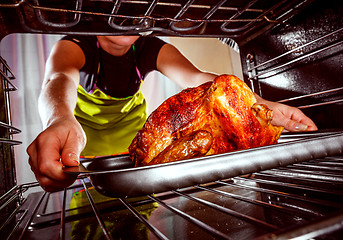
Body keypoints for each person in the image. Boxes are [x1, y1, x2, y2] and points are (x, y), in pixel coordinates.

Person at [27, 35, 317, 192]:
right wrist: (60, 119)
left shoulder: (149, 47)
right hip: (83, 148)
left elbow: (199, 78)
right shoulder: (76, 45)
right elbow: (58, 80)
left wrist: (262, 107)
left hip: (136, 147)